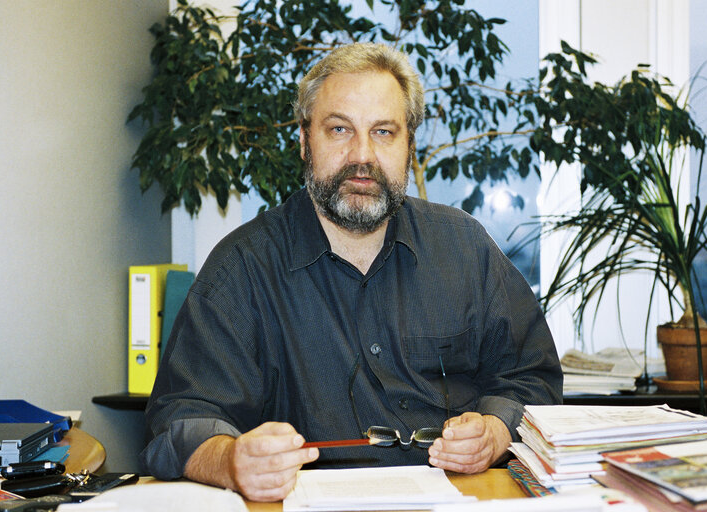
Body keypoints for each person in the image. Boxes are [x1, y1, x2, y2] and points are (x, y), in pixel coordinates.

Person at [141, 42, 562, 502]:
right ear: (304, 140)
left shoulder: (464, 246)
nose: (362, 155)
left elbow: (532, 375)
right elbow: (179, 421)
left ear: (409, 146)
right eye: (340, 129)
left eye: (383, 132)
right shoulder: (242, 267)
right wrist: (230, 461)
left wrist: (496, 431)